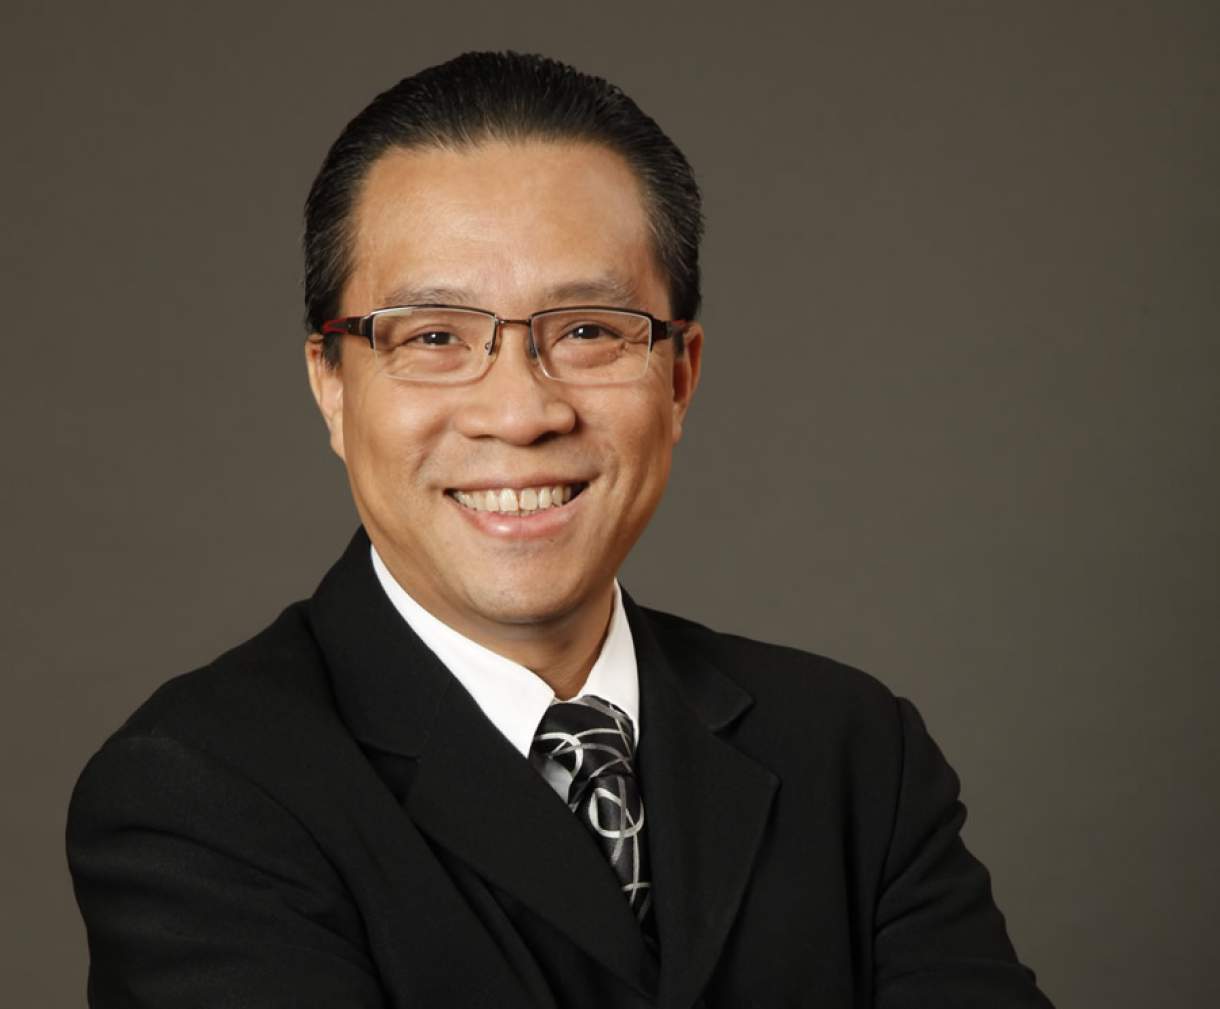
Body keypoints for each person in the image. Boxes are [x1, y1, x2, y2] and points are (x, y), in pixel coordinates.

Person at [66, 51, 1054, 1008]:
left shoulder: (850, 751)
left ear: (679, 376)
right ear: (331, 384)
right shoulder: (199, 793)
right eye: (434, 336)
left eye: (586, 330)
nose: (520, 411)